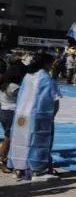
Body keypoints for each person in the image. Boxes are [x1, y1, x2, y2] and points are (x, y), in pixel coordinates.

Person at [8, 52, 62, 180]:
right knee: (38, 141)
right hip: (39, 115)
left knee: (20, 141)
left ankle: (18, 169)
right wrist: (52, 116)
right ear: (47, 63)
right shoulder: (46, 78)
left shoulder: (27, 76)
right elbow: (55, 99)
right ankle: (38, 170)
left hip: (21, 115)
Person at [0, 60, 26, 175]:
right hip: (12, 113)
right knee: (9, 137)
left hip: (4, 111)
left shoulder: (4, 84)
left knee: (9, 137)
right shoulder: (14, 86)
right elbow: (24, 97)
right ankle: (2, 161)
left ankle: (6, 160)